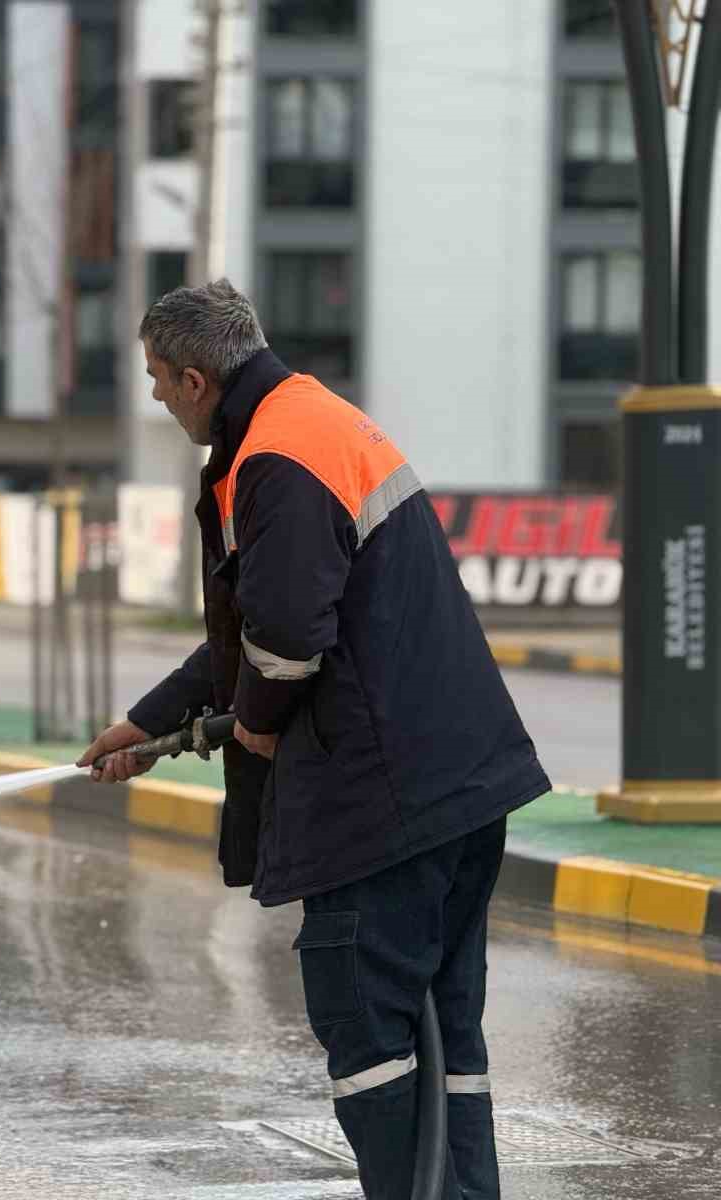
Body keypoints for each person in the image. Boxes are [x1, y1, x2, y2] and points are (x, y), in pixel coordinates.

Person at [79, 280, 549, 1199]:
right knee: (446, 1039)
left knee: (369, 1038)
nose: (156, 396)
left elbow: (288, 640)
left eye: (157, 379)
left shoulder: (276, 456)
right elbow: (261, 628)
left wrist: (256, 727)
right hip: (457, 787)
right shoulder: (313, 421)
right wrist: (151, 721)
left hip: (383, 806)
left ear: (194, 379)